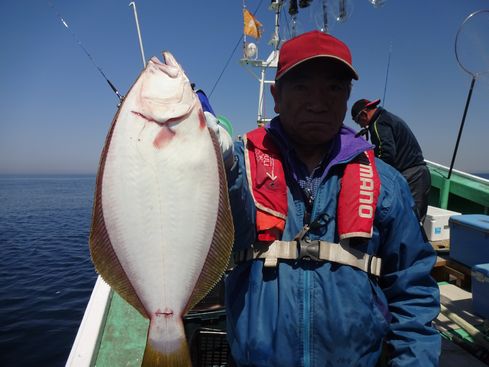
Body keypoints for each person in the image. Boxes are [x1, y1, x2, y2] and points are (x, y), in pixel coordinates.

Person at [207, 30, 440, 367]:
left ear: (347, 97)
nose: (318, 102)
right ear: (276, 95)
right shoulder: (238, 167)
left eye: (334, 88)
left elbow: (413, 289)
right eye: (301, 86)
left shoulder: (386, 183)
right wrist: (215, 163)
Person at [351, 99, 431, 223]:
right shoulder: (387, 118)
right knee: (414, 220)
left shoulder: (379, 124)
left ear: (364, 114)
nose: (361, 126)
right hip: (418, 174)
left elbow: (386, 153)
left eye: (358, 121)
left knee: (411, 221)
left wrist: (375, 175)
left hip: (412, 176)